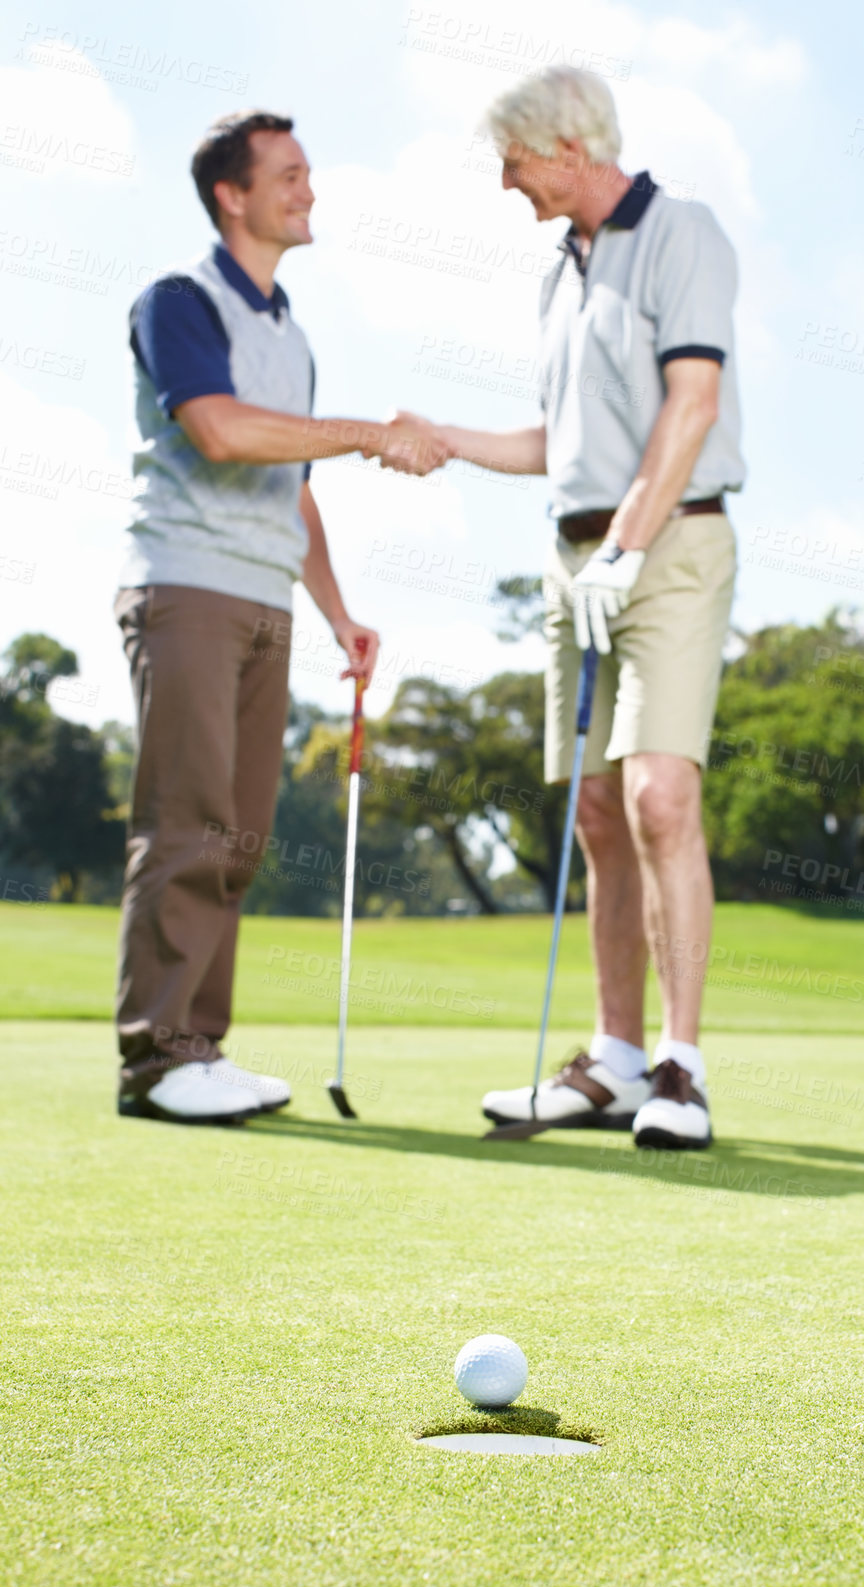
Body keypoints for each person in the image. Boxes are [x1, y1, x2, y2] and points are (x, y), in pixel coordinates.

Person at [433, 67, 744, 1150]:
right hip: (577, 562)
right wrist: (444, 440)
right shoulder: (554, 274)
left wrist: (625, 545)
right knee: (600, 815)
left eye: (512, 161)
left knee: (660, 797)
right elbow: (553, 447)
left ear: (566, 146)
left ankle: (679, 1067)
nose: (507, 181)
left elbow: (690, 406)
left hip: (669, 545)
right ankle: (611, 1059)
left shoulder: (682, 235)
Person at [115, 109, 445, 1124]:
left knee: (239, 835)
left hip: (263, 599)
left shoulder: (289, 334)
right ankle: (158, 1060)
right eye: (290, 176)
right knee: (188, 821)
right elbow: (218, 431)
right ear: (233, 194)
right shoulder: (179, 300)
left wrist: (338, 614)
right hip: (187, 587)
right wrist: (366, 433)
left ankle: (197, 1050)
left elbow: (290, 487)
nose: (309, 191)